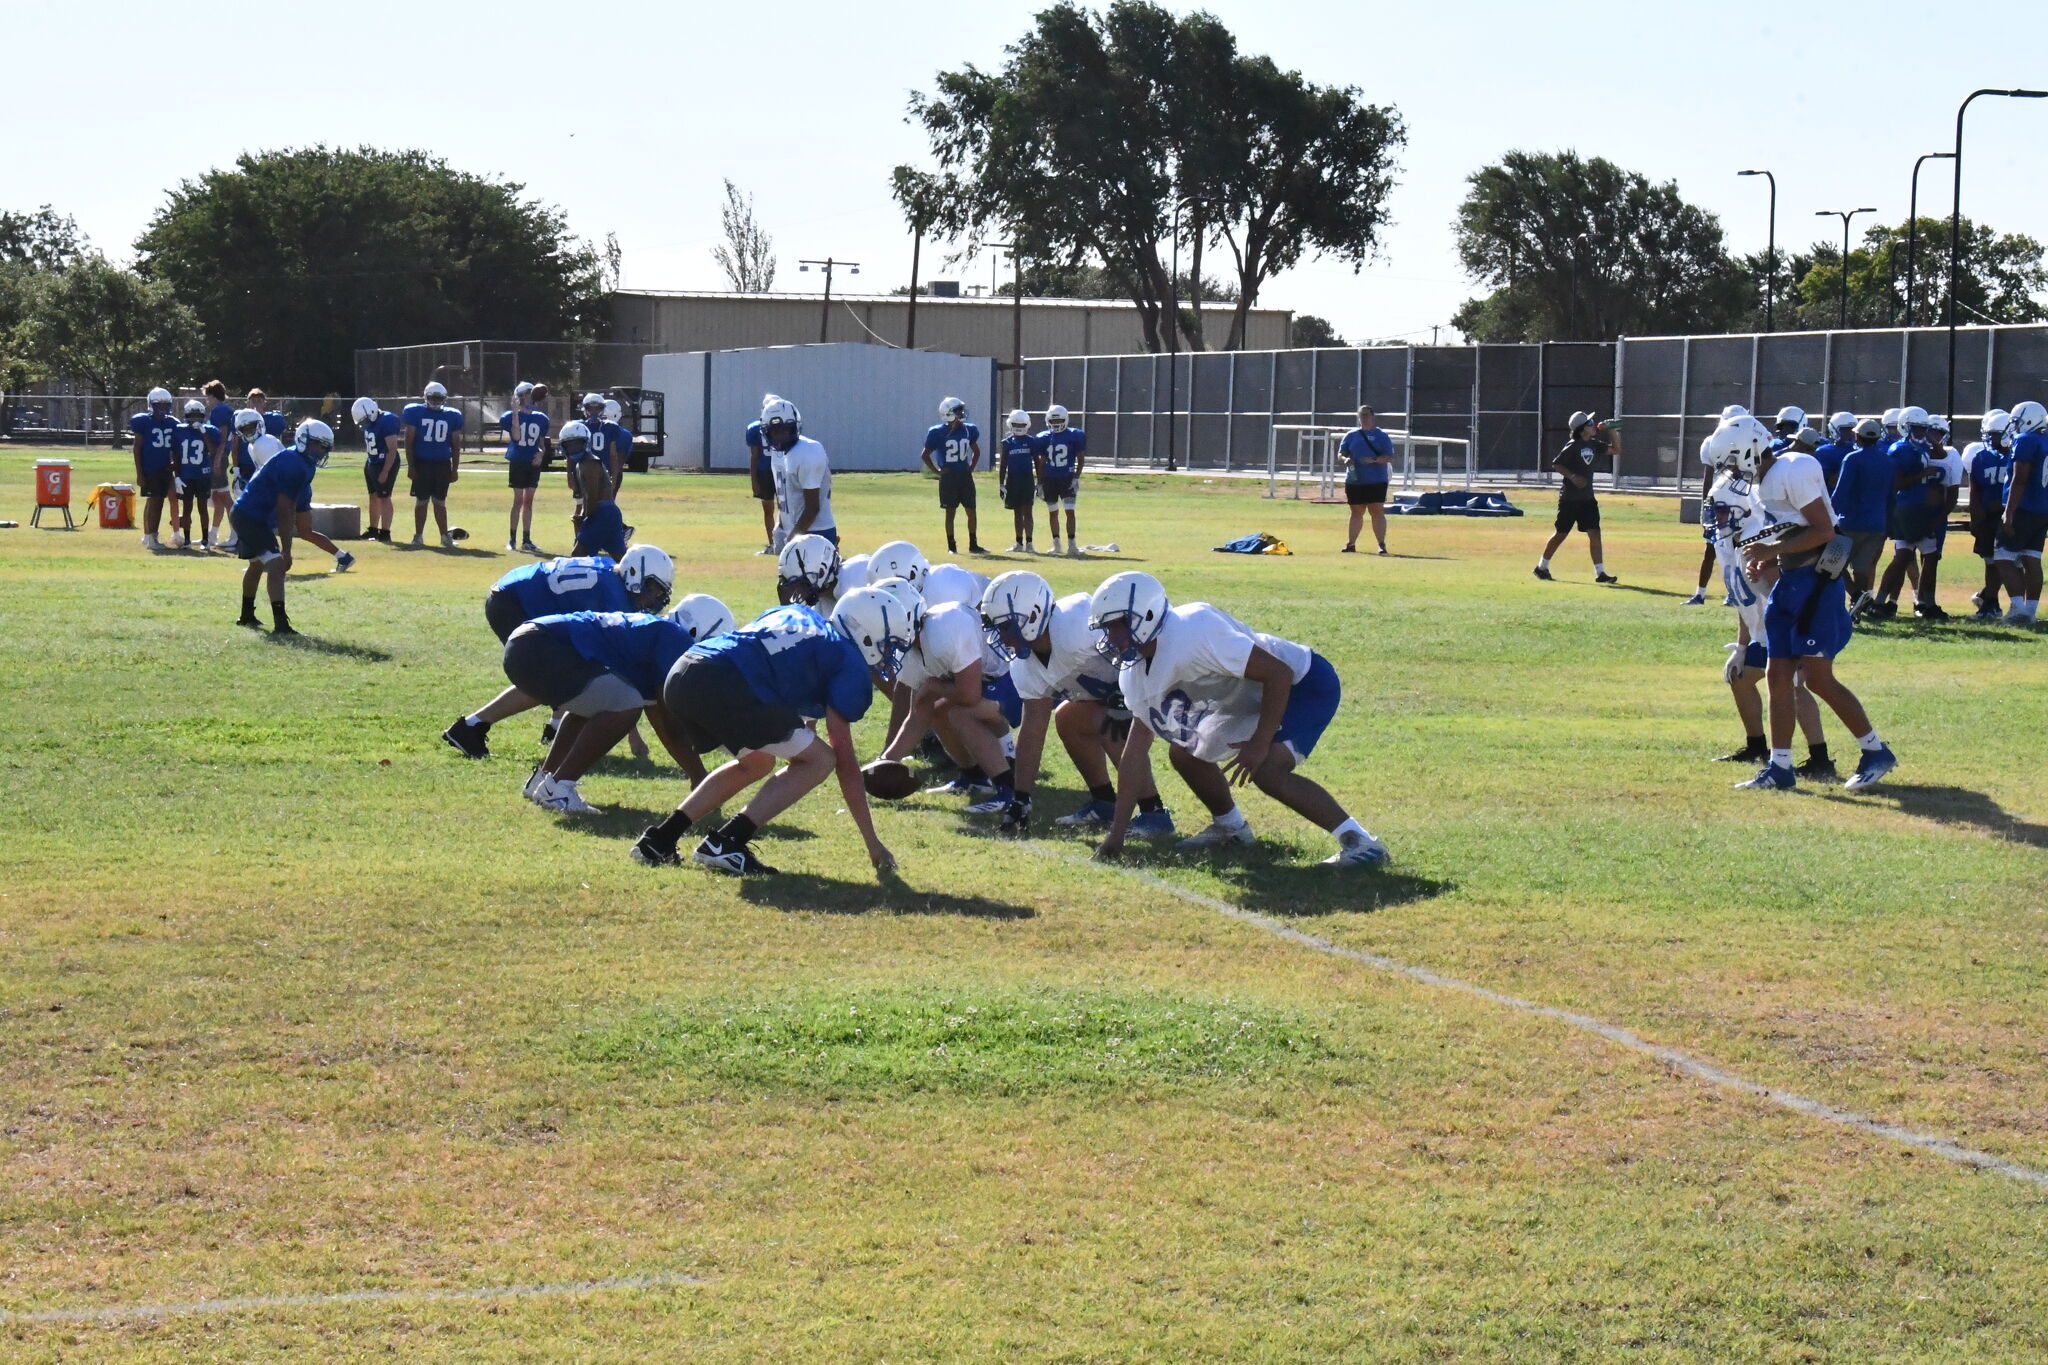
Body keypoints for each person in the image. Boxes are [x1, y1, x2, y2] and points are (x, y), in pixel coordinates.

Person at [1086, 571, 1387, 866]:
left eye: (1117, 625)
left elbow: (1278, 673)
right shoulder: (1134, 676)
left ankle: (1360, 842)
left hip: (1302, 683)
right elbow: (1134, 754)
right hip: (1246, 699)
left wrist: (1259, 742)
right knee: (1185, 752)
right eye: (1107, 628)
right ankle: (1231, 829)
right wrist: (1117, 834)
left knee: (1267, 769)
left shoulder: (1194, 630)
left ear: (1147, 614)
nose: (1112, 637)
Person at [632, 595, 895, 877]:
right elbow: (844, 761)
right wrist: (873, 841)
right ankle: (727, 842)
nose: (889, 651)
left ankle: (659, 840)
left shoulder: (801, 616)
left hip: (685, 670)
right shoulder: (846, 658)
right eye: (888, 643)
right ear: (866, 632)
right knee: (821, 760)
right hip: (723, 680)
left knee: (757, 762)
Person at [1705, 417, 1896, 793]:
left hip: (1816, 585)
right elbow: (1792, 532)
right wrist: (1770, 558)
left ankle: (1876, 751)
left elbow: (1823, 531)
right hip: (1791, 583)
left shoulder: (1792, 469)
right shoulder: (1765, 482)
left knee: (1818, 678)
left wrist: (1771, 550)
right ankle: (1780, 767)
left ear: (1748, 451)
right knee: (1777, 675)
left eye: (1731, 462)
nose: (1731, 471)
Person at [978, 570, 1174, 836]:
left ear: (1034, 614)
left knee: (1108, 720)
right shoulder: (1024, 666)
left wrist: (1128, 696)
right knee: (1067, 717)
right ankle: (1104, 801)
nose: (1002, 638)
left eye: (1005, 627)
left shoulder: (1076, 622)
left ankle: (1154, 812)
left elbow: (1136, 642)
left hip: (1154, 686)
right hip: (1111, 696)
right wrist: (1021, 797)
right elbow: (1033, 727)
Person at [443, 544, 676, 758]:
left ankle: (551, 729)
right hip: (513, 602)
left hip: (512, 594)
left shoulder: (611, 571)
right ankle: (471, 727)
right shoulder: (613, 598)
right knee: (555, 679)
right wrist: (633, 735)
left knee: (568, 674)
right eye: (652, 589)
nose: (653, 599)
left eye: (658, 592)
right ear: (634, 574)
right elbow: (618, 671)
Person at [502, 605, 721, 814]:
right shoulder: (676, 639)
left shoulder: (657, 632)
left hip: (524, 643)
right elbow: (669, 726)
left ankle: (544, 779)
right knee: (626, 704)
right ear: (697, 631)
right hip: (540, 646)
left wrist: (697, 777)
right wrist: (700, 778)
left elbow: (659, 716)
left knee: (598, 704)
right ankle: (558, 788)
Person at [1703, 463, 1833, 778]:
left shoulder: (1760, 542)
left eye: (1723, 511)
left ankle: (1820, 759)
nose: (1718, 518)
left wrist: (1797, 638)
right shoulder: (1728, 543)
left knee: (1795, 688)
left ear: (1744, 511)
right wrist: (1741, 646)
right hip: (1763, 633)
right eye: (1716, 511)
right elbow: (1742, 600)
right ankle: (1757, 746)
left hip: (1784, 628)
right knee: (1741, 678)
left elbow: (1783, 592)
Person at [873, 578, 1021, 803]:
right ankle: (974, 777)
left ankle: (1008, 789)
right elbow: (918, 715)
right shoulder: (911, 650)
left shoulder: (946, 625)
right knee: (937, 710)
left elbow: (969, 695)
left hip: (1014, 680)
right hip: (987, 684)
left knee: (960, 713)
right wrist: (885, 760)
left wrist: (934, 686)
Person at [229, 420, 332, 636]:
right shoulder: (292, 463)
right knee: (276, 564)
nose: (321, 451)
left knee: (257, 564)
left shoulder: (302, 463)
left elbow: (295, 505)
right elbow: (285, 509)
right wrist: (286, 550)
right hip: (249, 516)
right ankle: (281, 624)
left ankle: (246, 615)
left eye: (324, 447)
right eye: (317, 445)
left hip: (250, 514)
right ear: (304, 440)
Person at [1871, 406, 1942, 620]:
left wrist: (1931, 437)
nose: (1921, 432)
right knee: (1904, 557)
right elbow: (1896, 483)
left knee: (1927, 557)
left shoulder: (1920, 447)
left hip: (1920, 508)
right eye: (1916, 428)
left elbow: (1942, 454)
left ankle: (1926, 604)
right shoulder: (1900, 449)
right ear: (1905, 427)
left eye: (1923, 428)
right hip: (1906, 508)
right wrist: (1923, 474)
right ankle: (1881, 602)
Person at [1534, 412, 1618, 584]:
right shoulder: (1573, 445)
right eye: (1590, 423)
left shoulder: (1594, 444)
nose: (1593, 425)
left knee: (1595, 533)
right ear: (1582, 429)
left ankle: (1600, 573)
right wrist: (1572, 476)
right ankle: (1541, 567)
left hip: (1587, 499)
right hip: (1570, 499)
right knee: (1561, 533)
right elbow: (1557, 464)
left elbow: (1616, 450)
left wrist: (1611, 430)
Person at [1831, 417, 1892, 611]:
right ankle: (1859, 606)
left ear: (1858, 436)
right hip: (1877, 522)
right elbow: (1891, 494)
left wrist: (1830, 515)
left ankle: (1857, 597)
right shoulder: (1887, 460)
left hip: (1851, 521)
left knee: (1831, 564)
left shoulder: (1852, 458)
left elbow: (1841, 491)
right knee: (1862, 568)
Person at [1997, 400, 2048, 624]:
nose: (2015, 426)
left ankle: (2019, 609)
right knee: (2031, 558)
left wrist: (2009, 512)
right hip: (2042, 508)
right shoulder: (2044, 440)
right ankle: (2031, 611)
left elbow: (2019, 479)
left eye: (2017, 422)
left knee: (2003, 557)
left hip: (2024, 507)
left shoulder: (2026, 440)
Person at [1911, 414, 1964, 619]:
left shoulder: (1951, 455)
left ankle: (1927, 602)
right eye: (1930, 431)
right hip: (1909, 511)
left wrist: (1939, 518)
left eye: (1938, 432)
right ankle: (1890, 601)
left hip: (1935, 513)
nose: (1933, 436)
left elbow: (1952, 493)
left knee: (1931, 558)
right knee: (1904, 557)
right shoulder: (1912, 451)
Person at [765, 397, 836, 546]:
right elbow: (786, 496)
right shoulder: (779, 454)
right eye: (774, 431)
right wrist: (780, 524)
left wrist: (792, 539)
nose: (780, 436)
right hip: (794, 530)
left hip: (816, 532)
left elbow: (812, 508)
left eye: (785, 430)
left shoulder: (809, 451)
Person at [402, 381, 465, 547]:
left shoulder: (452, 415)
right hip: (424, 464)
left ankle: (444, 537)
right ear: (426, 397)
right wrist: (411, 466)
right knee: (422, 501)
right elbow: (409, 442)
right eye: (433, 398)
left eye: (439, 398)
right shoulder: (416, 412)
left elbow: (456, 446)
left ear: (444, 398)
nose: (436, 401)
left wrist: (455, 469)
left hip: (441, 465)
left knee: (439, 502)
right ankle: (419, 536)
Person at [1964, 410, 2013, 620]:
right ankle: (1991, 602)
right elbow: (1974, 490)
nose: (1991, 438)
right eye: (1990, 434)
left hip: (2010, 516)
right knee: (1991, 561)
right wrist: (1976, 518)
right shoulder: (1981, 457)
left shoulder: (2018, 455)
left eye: (1995, 434)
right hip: (1987, 519)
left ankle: (2017, 607)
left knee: (2012, 562)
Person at [921, 397, 985, 555]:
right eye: (957, 411)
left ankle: (973, 544)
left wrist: (970, 468)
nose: (961, 413)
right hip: (949, 477)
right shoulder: (937, 432)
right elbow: (925, 455)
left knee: (971, 510)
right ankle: (951, 546)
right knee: (950, 512)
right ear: (948, 413)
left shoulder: (969, 429)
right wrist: (938, 472)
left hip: (964, 476)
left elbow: (976, 451)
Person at [500, 382, 552, 553]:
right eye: (527, 393)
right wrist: (516, 412)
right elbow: (516, 437)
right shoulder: (509, 416)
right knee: (518, 500)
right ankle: (512, 539)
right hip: (518, 460)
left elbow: (541, 443)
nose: (530, 397)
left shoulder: (541, 418)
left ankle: (527, 539)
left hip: (532, 462)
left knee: (528, 501)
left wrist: (541, 454)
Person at [564, 423, 628, 560]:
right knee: (621, 560)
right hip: (608, 513)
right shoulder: (582, 463)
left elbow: (591, 496)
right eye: (569, 445)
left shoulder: (589, 463)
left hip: (601, 513)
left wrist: (584, 518)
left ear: (585, 443)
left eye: (577, 444)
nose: (573, 448)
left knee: (577, 557)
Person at [1339, 405, 1394, 554]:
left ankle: (1381, 544)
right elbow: (1341, 453)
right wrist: (1345, 459)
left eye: (1367, 415)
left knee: (1376, 511)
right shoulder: (1351, 435)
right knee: (1356, 511)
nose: (1364, 418)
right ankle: (1351, 544)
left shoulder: (1381, 435)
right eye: (1361, 415)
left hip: (1376, 480)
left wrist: (1374, 460)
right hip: (1355, 480)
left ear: (1372, 416)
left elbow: (1389, 457)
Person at [129, 387, 179, 550]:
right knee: (155, 502)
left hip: (165, 469)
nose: (162, 408)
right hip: (151, 469)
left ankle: (149, 536)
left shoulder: (172, 422)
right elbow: (137, 448)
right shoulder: (144, 421)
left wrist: (173, 462)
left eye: (165, 405)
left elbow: (174, 447)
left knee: (155, 501)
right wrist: (139, 473)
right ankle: (151, 537)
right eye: (159, 405)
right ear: (151, 405)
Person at [350, 397, 402, 542]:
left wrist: (385, 471)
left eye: (365, 419)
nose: (365, 423)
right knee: (373, 496)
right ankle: (373, 530)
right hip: (372, 461)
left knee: (384, 497)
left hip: (384, 462)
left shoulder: (387, 420)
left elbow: (392, 449)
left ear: (371, 411)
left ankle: (385, 532)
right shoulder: (372, 421)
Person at [170, 400, 221, 550]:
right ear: (186, 416)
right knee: (187, 508)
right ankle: (187, 540)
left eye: (197, 415)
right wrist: (177, 476)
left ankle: (205, 540)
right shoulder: (179, 430)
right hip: (186, 475)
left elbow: (213, 451)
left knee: (202, 507)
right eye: (191, 415)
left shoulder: (210, 430)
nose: (194, 418)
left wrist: (203, 432)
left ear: (203, 416)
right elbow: (176, 454)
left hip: (203, 475)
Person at [1038, 404, 1086, 557]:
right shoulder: (1044, 437)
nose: (1056, 424)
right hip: (1050, 480)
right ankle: (1057, 544)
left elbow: (1081, 459)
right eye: (1053, 421)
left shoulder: (1074, 435)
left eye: (1059, 421)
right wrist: (1039, 483)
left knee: (1069, 511)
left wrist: (1076, 477)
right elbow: (1041, 462)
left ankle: (1072, 544)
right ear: (1048, 420)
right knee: (1053, 512)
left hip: (1067, 478)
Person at [997, 409, 1042, 553]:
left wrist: (1039, 482)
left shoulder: (1031, 441)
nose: (1018, 427)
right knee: (1017, 512)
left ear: (1027, 424)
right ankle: (1018, 543)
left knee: (1028, 511)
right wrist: (1001, 484)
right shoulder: (1007, 442)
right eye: (1016, 424)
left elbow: (1037, 462)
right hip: (1013, 480)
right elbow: (1003, 465)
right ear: (1010, 424)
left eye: (1021, 424)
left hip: (1027, 480)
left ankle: (1029, 543)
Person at [747, 394, 781, 554]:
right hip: (770, 472)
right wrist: (754, 480)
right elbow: (755, 455)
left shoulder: (755, 427)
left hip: (772, 471)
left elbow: (754, 456)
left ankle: (779, 542)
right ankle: (774, 543)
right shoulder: (757, 428)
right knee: (773, 510)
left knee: (781, 510)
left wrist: (754, 479)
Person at [203, 381, 237, 543]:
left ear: (212, 395)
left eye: (207, 397)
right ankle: (213, 534)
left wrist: (217, 460)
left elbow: (223, 438)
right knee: (217, 498)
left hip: (219, 455)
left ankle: (235, 533)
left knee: (224, 497)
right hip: (219, 454)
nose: (207, 400)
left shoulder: (220, 410)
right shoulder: (224, 409)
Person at [776, 532, 842, 608]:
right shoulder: (821, 605)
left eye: (801, 584)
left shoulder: (850, 593)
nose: (797, 591)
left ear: (821, 572)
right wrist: (785, 605)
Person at [1813, 412, 1857, 490]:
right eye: (1846, 430)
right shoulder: (1824, 452)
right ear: (1834, 430)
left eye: (1853, 430)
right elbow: (1831, 483)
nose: (1851, 434)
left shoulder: (1859, 450)